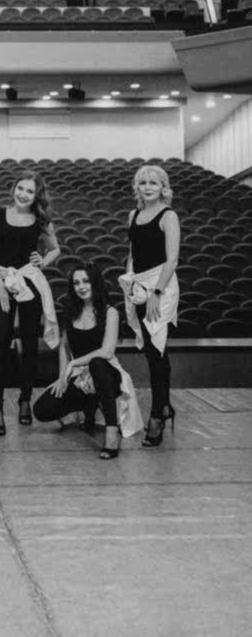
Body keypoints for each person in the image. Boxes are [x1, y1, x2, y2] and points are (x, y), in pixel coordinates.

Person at [0, 170, 60, 435]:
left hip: (29, 282)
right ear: (13, 188)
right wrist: (0, 287)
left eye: (30, 191)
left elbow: (56, 248)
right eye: (21, 188)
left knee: (30, 345)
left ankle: (25, 400)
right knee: (0, 346)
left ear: (37, 195)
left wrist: (43, 261)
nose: (24, 194)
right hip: (1, 280)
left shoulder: (40, 219)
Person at [33, 264, 143, 458]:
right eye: (76, 283)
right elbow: (64, 347)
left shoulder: (110, 312)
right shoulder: (71, 312)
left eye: (86, 281)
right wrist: (62, 378)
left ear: (95, 283)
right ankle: (88, 405)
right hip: (80, 376)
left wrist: (73, 363)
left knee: (97, 364)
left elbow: (107, 352)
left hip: (108, 374)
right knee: (42, 409)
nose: (81, 287)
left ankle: (111, 433)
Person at [119, 164, 180, 448]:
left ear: (163, 187)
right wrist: (130, 281)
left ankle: (157, 415)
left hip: (161, 286)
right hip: (140, 286)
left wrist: (156, 292)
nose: (147, 187)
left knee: (157, 351)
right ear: (137, 187)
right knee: (150, 350)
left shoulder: (169, 216)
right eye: (142, 183)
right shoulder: (133, 215)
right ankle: (164, 406)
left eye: (153, 183)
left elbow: (172, 259)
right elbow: (133, 253)